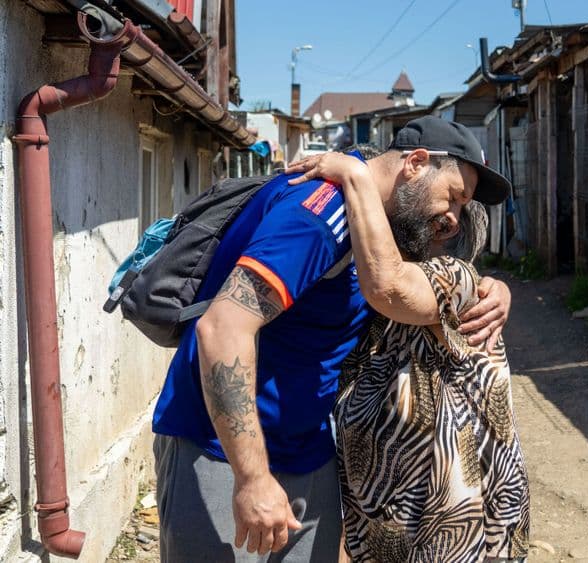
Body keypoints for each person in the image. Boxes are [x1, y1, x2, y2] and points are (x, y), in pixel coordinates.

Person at [151, 116, 514, 562]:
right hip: (222, 452)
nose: (454, 219)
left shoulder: (381, 221)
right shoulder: (322, 216)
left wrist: (491, 288)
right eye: (454, 198)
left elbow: (419, 283)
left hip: (306, 449)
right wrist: (252, 479)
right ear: (416, 164)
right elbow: (223, 328)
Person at [286, 151, 530, 562]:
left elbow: (390, 286)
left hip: (454, 526)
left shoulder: (459, 282)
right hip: (389, 524)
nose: (452, 215)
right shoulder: (368, 300)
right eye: (452, 198)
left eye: (460, 210)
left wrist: (355, 175)